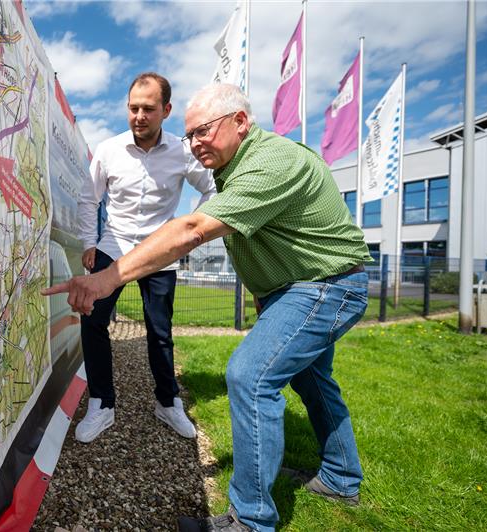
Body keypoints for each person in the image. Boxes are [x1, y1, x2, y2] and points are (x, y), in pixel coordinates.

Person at [44, 83, 371, 531]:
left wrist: (105, 279)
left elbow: (197, 226)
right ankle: (340, 476)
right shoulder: (229, 167)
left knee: (250, 377)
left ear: (240, 121)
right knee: (313, 384)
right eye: (191, 134)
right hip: (297, 286)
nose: (195, 143)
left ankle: (250, 521)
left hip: (326, 285)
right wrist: (266, 294)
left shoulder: (269, 162)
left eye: (203, 132)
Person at [73, 72, 216, 444]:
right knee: (92, 322)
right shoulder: (108, 150)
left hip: (159, 251)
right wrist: (90, 242)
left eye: (148, 109)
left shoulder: (184, 152)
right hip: (113, 247)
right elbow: (90, 200)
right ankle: (102, 403)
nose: (139, 115)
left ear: (166, 110)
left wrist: (190, 231)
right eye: (133, 108)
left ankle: (167, 402)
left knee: (160, 332)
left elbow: (213, 187)